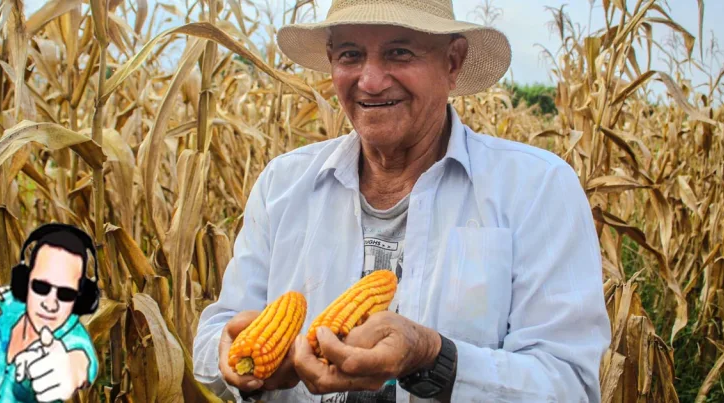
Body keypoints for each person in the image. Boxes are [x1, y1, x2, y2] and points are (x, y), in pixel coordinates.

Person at [193, 0, 612, 402]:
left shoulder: (537, 188)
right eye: (351, 55)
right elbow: (213, 341)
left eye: (399, 53)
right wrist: (242, 364)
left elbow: (569, 384)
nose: (371, 81)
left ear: (453, 62)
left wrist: (433, 357)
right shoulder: (282, 184)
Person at [0, 223, 100, 402]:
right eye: (41, 287)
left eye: (66, 293)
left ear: (81, 299)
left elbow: (81, 363)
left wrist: (69, 370)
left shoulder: (72, 336)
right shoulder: (11, 305)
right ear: (25, 281)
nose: (51, 304)